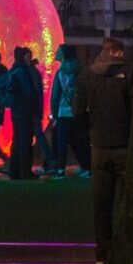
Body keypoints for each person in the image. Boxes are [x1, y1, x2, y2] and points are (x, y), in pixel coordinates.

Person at [73, 37, 132, 264]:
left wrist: (89, 138)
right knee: (127, 203)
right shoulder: (128, 74)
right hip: (124, 146)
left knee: (102, 205)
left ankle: (103, 253)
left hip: (99, 147)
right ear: (118, 52)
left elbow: (78, 112)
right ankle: (127, 248)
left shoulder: (87, 76)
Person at [46, 46, 87, 176]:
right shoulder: (80, 71)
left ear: (64, 55)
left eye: (58, 51)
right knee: (79, 141)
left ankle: (60, 170)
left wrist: (54, 115)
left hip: (63, 112)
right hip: (79, 111)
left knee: (61, 142)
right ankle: (86, 167)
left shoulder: (60, 73)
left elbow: (55, 96)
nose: (55, 52)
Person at [7, 47, 44, 180]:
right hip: (25, 112)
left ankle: (14, 171)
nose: (30, 58)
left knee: (17, 142)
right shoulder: (23, 72)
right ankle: (25, 172)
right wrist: (35, 110)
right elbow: (30, 93)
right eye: (28, 56)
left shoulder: (14, 70)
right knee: (25, 142)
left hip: (17, 112)